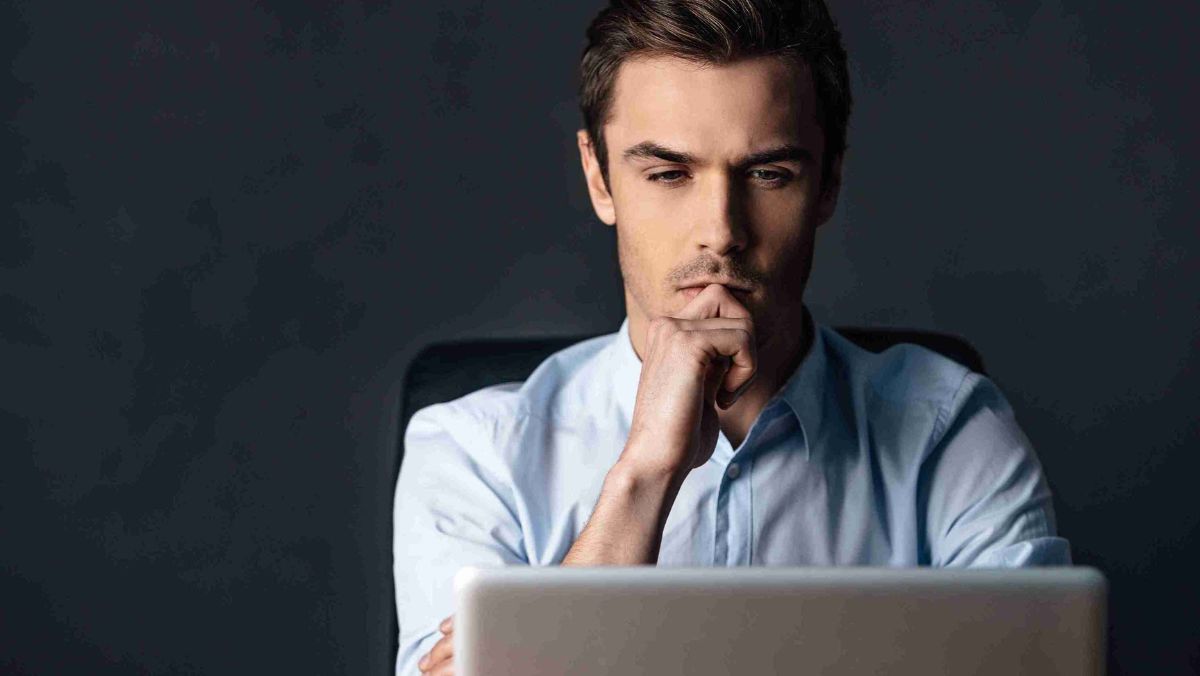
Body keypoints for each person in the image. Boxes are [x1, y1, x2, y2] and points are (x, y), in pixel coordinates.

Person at [394, 0, 1072, 673]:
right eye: (666, 173)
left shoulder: (949, 432)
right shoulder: (474, 452)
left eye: (768, 173)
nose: (721, 231)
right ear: (599, 178)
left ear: (829, 180)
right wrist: (645, 473)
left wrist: (530, 652)